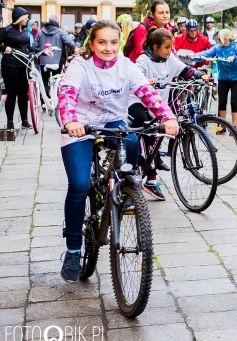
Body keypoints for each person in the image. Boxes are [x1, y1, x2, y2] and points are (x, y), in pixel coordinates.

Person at [57, 20, 179, 282]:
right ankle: (73, 249)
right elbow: (67, 94)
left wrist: (168, 117)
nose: (108, 48)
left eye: (114, 42)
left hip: (113, 122)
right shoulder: (80, 65)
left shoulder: (126, 66)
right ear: (92, 43)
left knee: (133, 141)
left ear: (120, 43)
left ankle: (123, 188)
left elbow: (148, 94)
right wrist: (69, 121)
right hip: (80, 125)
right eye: (102, 42)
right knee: (78, 184)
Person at [129, 28, 209, 200]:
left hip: (157, 105)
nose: (169, 50)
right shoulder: (143, 60)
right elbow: (136, 75)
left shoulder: (169, 59)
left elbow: (184, 69)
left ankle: (150, 171)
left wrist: (198, 74)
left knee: (156, 135)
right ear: (156, 47)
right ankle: (147, 176)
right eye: (166, 47)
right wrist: (144, 80)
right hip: (137, 102)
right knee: (146, 132)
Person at [0, 7, 52, 130]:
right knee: (11, 93)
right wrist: (4, 48)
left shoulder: (24, 32)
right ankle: (10, 122)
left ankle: (25, 120)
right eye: (25, 17)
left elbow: (29, 48)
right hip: (10, 65)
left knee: (24, 93)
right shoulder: (6, 31)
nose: (27, 19)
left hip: (25, 65)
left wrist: (43, 52)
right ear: (19, 18)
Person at [195, 29, 237, 128]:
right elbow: (206, 53)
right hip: (223, 78)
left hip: (236, 78)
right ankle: (223, 126)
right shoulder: (217, 48)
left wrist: (234, 58)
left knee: (234, 102)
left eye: (220, 39)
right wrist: (195, 56)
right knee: (222, 101)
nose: (218, 41)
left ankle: (234, 126)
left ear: (227, 39)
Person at [35, 15, 76, 98]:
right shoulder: (61, 31)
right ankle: (55, 100)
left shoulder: (41, 31)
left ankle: (44, 102)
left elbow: (34, 45)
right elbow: (70, 43)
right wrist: (75, 48)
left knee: (44, 81)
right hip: (57, 61)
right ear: (57, 22)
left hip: (43, 60)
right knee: (57, 81)